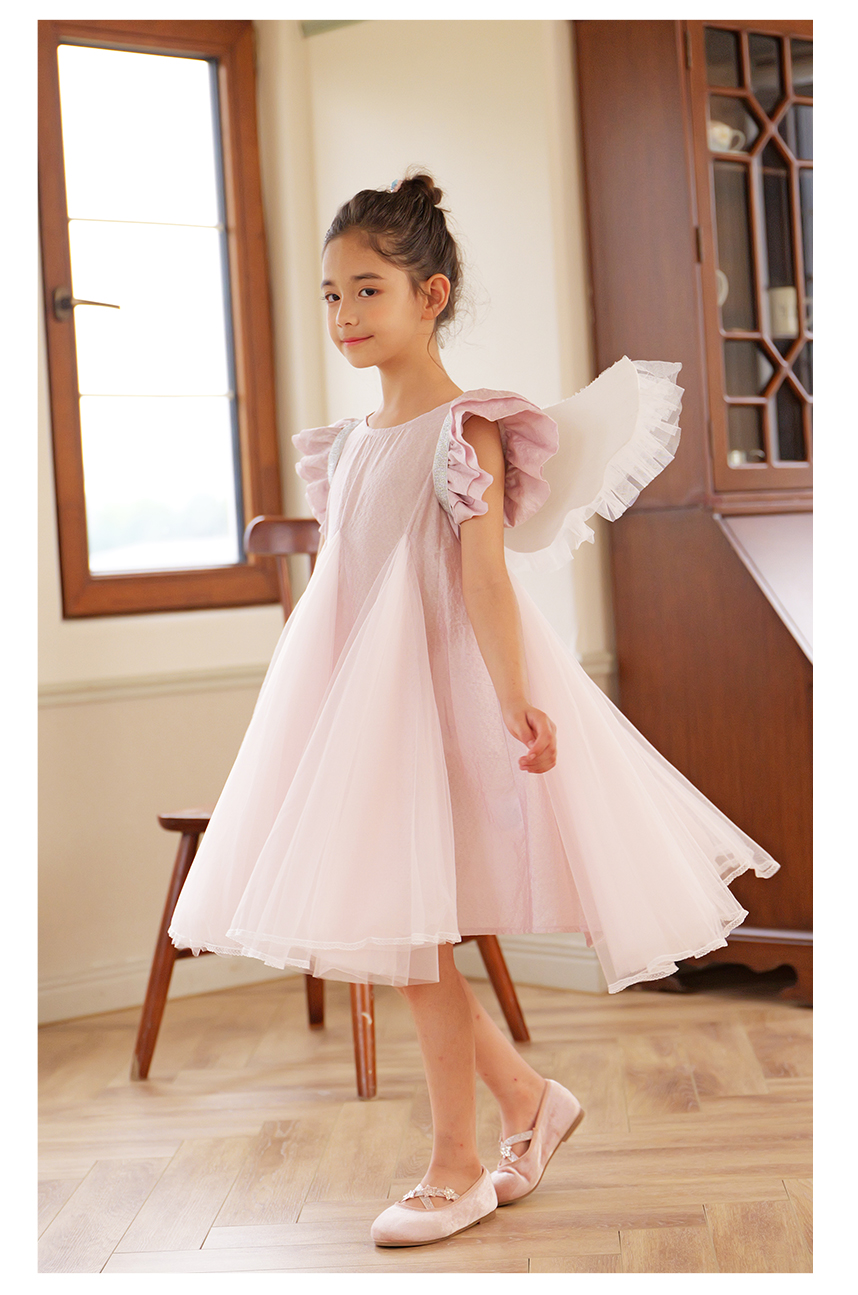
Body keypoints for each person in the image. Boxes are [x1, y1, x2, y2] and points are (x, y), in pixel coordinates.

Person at [169, 169, 780, 1248]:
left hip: (440, 699)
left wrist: (516, 702)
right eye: (331, 295)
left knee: (411, 945)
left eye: (368, 290)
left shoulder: (467, 430)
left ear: (431, 294)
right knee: (400, 942)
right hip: (358, 713)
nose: (345, 314)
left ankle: (458, 1163)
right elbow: (347, 587)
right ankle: (529, 1103)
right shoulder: (349, 444)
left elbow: (485, 579)